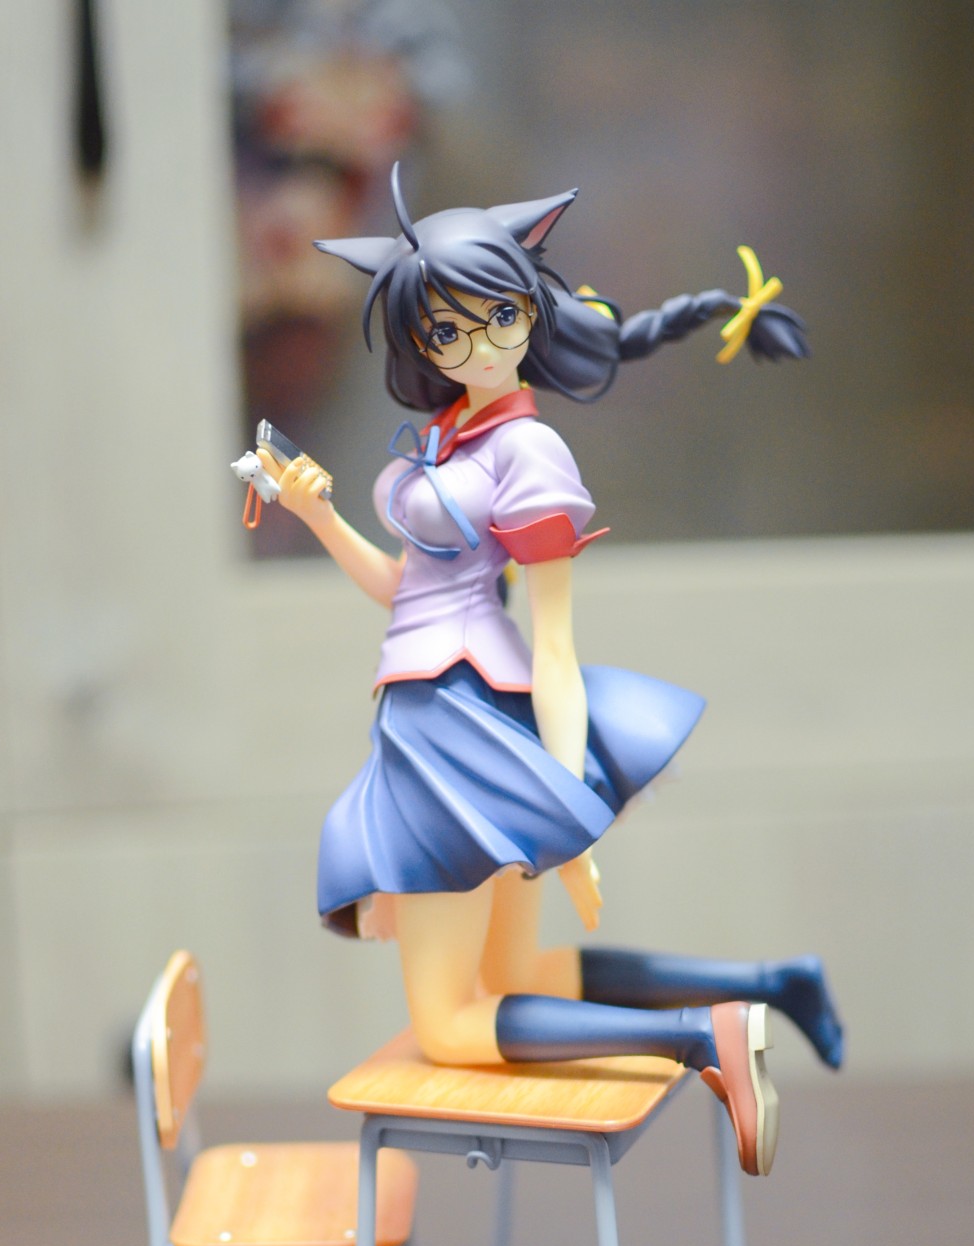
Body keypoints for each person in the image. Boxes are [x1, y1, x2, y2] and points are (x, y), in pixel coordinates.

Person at [247, 166, 842, 1176]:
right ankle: (771, 980)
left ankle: (705, 1037)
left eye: (497, 317)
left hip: (460, 735)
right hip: (430, 719)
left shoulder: (527, 452)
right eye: (447, 331)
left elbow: (554, 642)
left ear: (529, 306)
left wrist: (565, 813)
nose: (478, 346)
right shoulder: (453, 435)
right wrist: (317, 513)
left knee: (449, 1026)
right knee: (518, 971)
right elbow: (406, 591)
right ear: (419, 343)